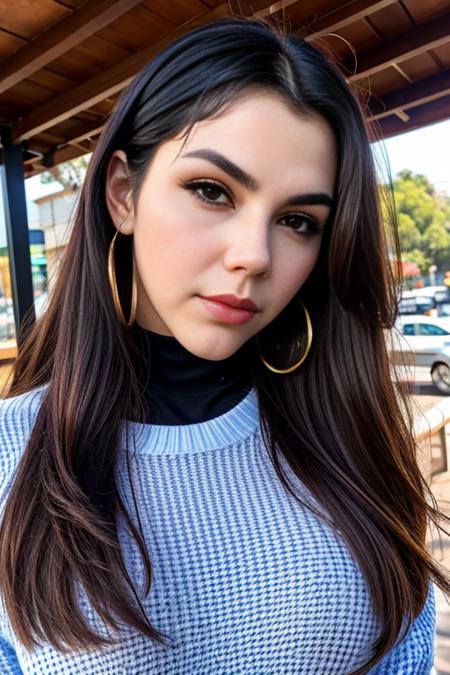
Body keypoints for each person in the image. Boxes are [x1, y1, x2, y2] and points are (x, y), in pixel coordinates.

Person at [0, 17, 446, 675]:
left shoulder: (352, 440)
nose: (253, 256)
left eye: (298, 221)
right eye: (212, 191)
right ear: (123, 193)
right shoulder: (11, 453)